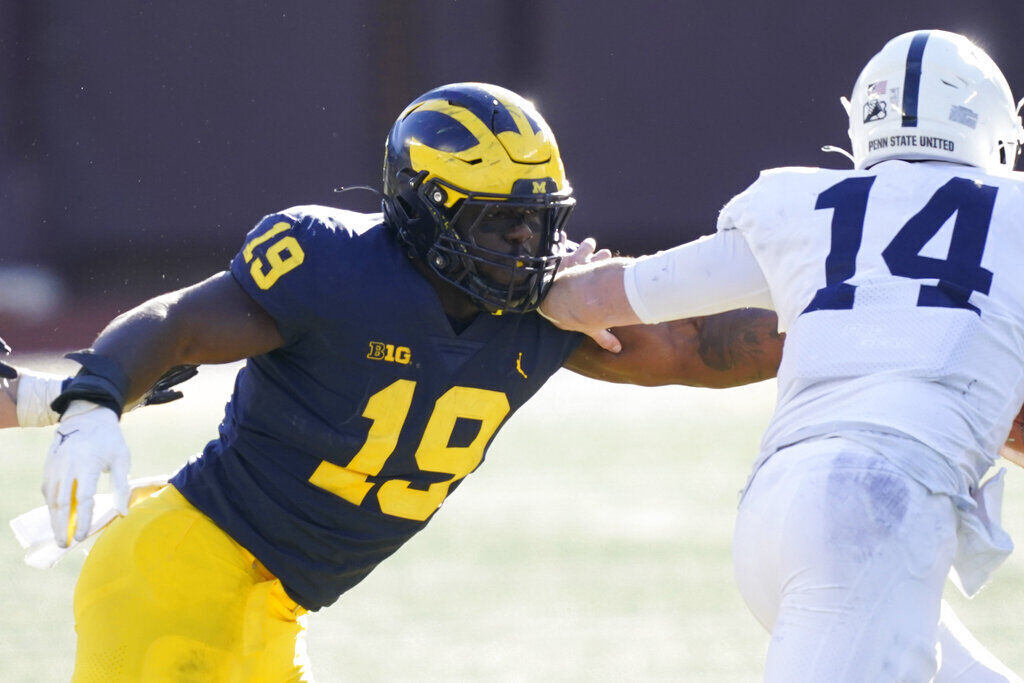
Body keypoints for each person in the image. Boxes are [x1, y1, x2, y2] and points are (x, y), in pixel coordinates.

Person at [26, 82, 782, 680]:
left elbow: (698, 346)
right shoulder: (338, 267)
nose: (527, 245)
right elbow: (178, 321)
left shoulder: (546, 311)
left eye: (537, 221)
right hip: (179, 575)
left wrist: (852, 326)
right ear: (428, 211)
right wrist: (93, 400)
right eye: (500, 222)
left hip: (276, 607)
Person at [540, 30, 1024, 682]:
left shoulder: (806, 207)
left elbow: (607, 295)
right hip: (879, 510)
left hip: (774, 511)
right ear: (995, 132)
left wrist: (545, 282)